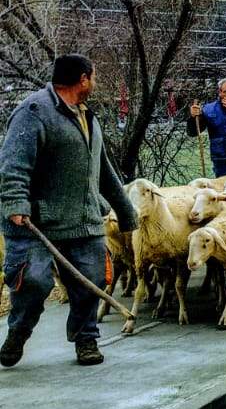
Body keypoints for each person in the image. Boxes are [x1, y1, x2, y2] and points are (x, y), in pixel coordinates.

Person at [1, 54, 141, 367]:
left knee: (93, 277)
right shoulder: (34, 112)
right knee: (34, 280)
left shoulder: (86, 115)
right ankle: (19, 331)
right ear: (82, 79)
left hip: (82, 217)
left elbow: (103, 170)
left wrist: (126, 211)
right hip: (36, 220)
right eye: (94, 76)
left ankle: (86, 338)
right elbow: (13, 165)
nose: (95, 81)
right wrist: (16, 203)